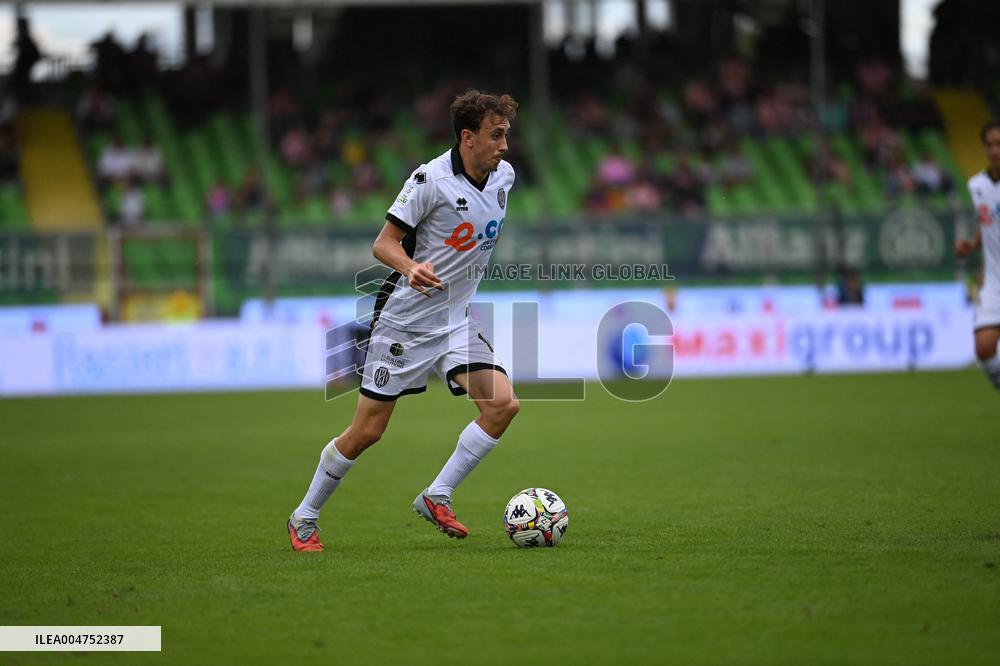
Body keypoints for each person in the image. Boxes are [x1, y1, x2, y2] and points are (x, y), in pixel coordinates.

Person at [287, 90, 520, 552]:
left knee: (502, 406)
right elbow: (383, 243)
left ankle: (437, 494)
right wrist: (411, 267)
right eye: (496, 135)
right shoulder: (429, 180)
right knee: (368, 431)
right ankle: (304, 517)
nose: (505, 146)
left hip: (455, 320)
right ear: (467, 137)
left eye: (506, 135)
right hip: (405, 322)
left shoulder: (504, 177)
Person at [955, 120, 1000, 389]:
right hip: (995, 282)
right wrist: (971, 245)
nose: (995, 150)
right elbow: (987, 223)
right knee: (984, 348)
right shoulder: (977, 185)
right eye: (990, 145)